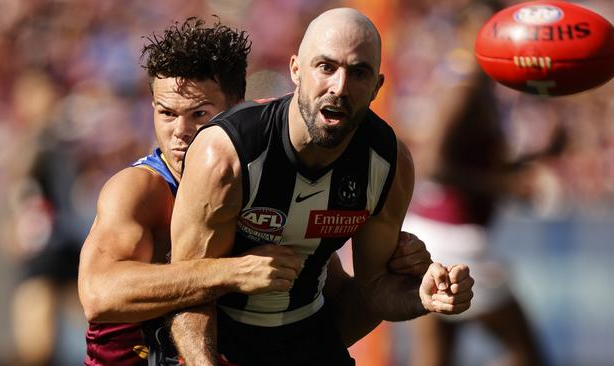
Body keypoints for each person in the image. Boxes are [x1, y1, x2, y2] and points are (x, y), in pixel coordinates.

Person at [77, 16, 432, 366]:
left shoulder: (255, 184)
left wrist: (400, 279)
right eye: (166, 113)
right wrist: (232, 272)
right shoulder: (140, 189)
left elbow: (335, 311)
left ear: (235, 114)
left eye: (200, 114)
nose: (181, 132)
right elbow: (98, 295)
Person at [168, 8, 475, 366]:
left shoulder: (387, 161)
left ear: (377, 86)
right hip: (219, 340)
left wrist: (421, 295)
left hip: (307, 338)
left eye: (358, 72)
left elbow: (374, 290)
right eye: (326, 67)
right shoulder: (227, 154)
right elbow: (187, 291)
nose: (339, 88)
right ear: (296, 70)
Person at [401, 71, 547, 366]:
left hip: (439, 236)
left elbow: (473, 160)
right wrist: (503, 185)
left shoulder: (486, 94)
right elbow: (434, 165)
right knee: (527, 354)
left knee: (437, 358)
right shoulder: (464, 92)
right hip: (452, 239)